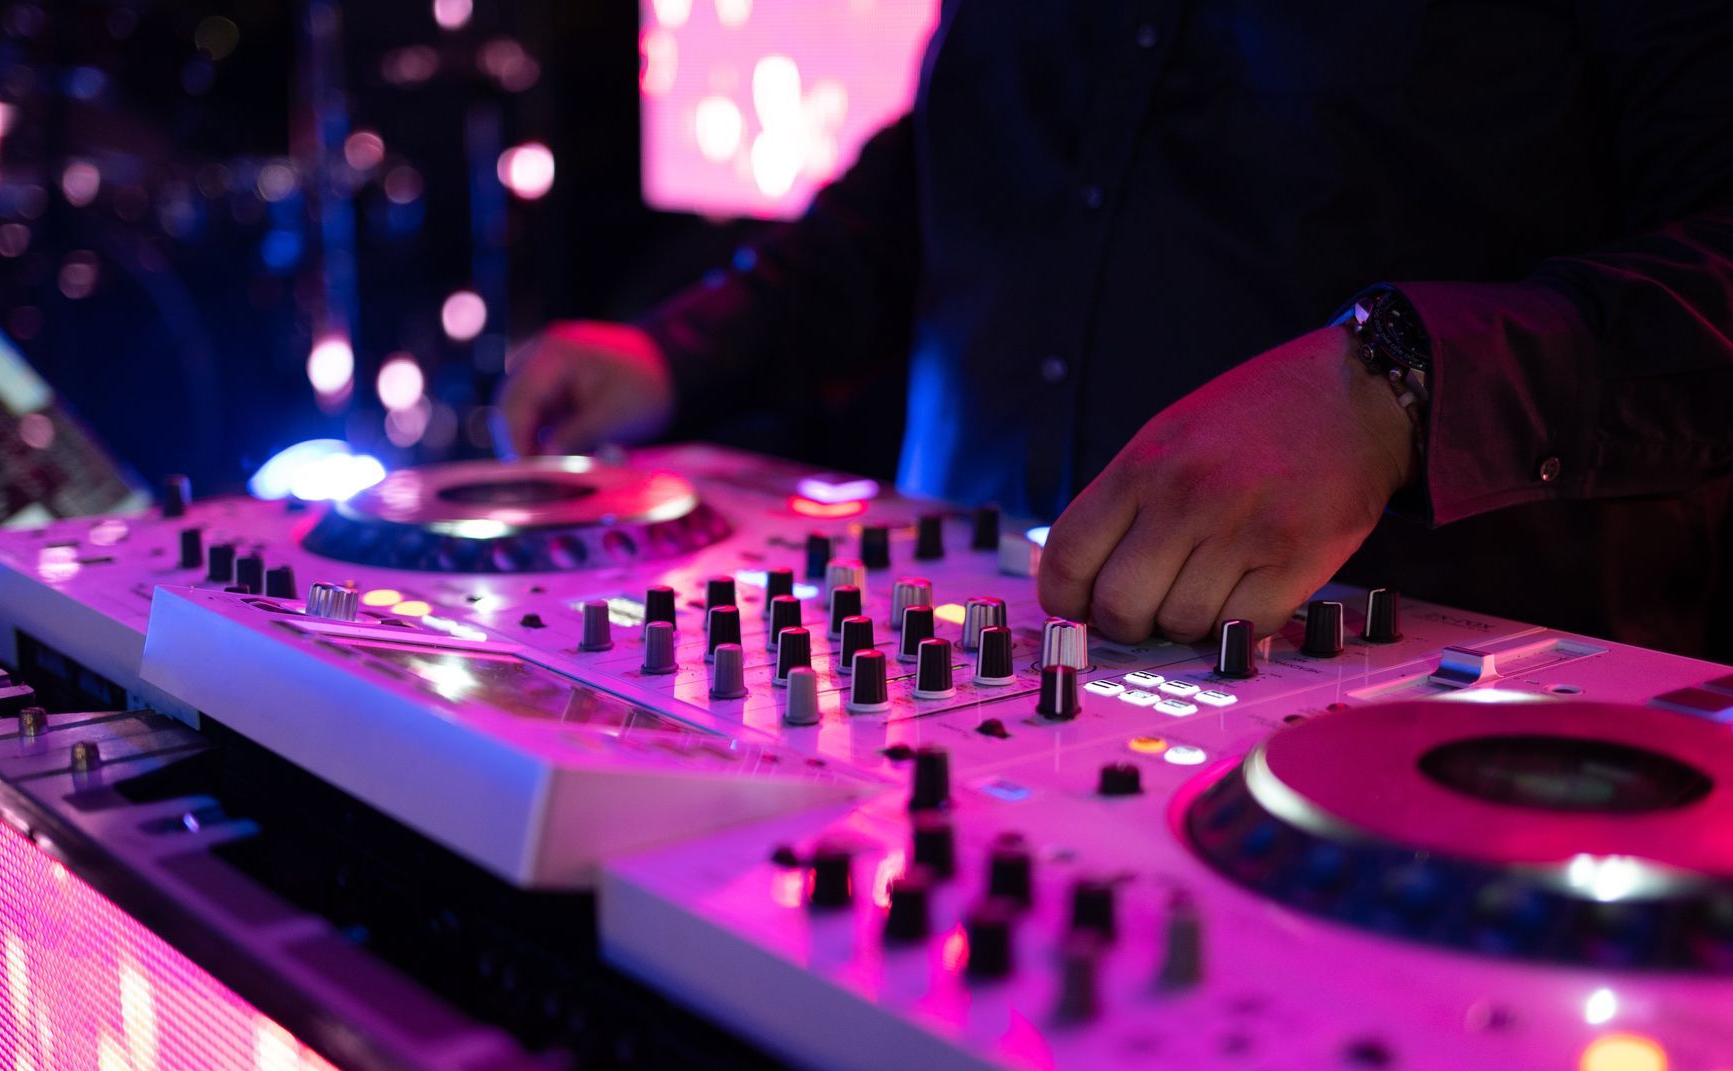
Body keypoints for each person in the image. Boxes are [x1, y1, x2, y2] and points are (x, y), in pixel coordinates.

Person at [498, 3, 1733, 658]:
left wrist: (1396, 389)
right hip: (960, 653)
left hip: (1416, 746)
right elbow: (946, 168)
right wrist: (679, 350)